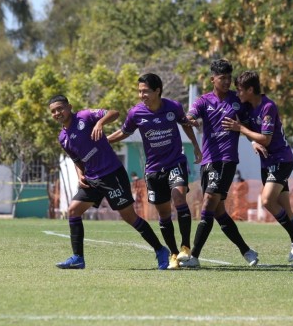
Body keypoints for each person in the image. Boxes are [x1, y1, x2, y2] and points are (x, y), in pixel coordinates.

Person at [48, 95, 170, 270]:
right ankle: (78, 258)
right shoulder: (62, 137)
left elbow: (115, 113)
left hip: (111, 174)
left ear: (69, 107)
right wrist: (80, 173)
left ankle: (160, 250)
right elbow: (76, 159)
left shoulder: (84, 116)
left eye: (60, 108)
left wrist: (100, 123)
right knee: (73, 211)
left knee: (129, 216)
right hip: (92, 178)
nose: (57, 113)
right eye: (53, 111)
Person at [223, 70, 293, 267]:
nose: (238, 93)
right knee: (286, 210)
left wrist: (240, 129)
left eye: (240, 90)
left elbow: (266, 139)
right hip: (267, 163)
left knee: (267, 200)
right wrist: (250, 140)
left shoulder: (268, 107)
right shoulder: (248, 107)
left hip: (282, 160)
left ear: (251, 90)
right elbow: (253, 134)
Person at [108, 73, 202, 269]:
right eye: (139, 91)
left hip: (175, 162)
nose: (142, 95)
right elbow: (124, 132)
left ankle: (186, 247)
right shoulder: (136, 113)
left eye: (146, 91)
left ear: (157, 90)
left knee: (179, 198)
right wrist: (104, 140)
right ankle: (174, 254)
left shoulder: (173, 107)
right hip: (153, 169)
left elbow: (185, 123)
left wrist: (195, 144)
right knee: (164, 213)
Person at [180, 58, 259, 268]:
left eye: (229, 78)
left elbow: (250, 123)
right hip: (208, 161)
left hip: (226, 160)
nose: (226, 82)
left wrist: (252, 139)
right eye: (222, 78)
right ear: (212, 79)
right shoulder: (203, 101)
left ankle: (194, 256)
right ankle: (247, 251)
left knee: (208, 203)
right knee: (218, 212)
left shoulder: (237, 100)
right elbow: (189, 116)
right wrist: (193, 121)